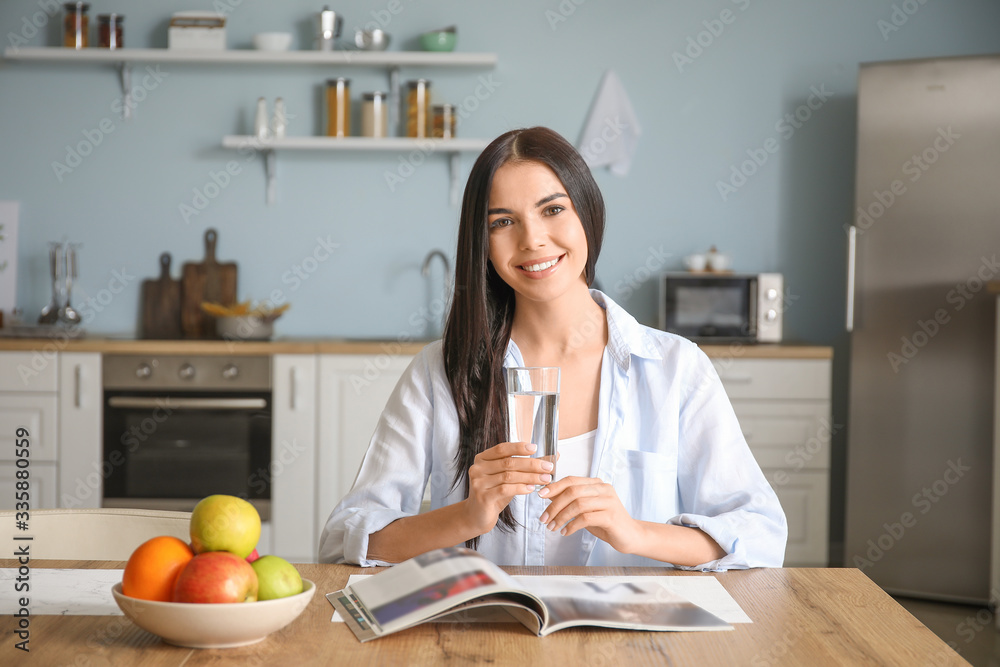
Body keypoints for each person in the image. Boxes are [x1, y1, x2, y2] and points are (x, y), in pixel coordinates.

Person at [319, 126, 786, 569]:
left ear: (588, 211)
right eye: (504, 222)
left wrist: (634, 532)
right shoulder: (439, 372)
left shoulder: (676, 369)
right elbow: (345, 540)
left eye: (553, 209)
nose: (533, 240)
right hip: (487, 642)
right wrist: (467, 517)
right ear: (482, 244)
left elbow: (761, 535)